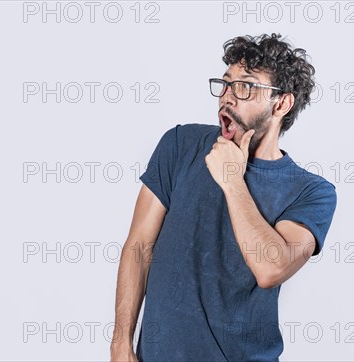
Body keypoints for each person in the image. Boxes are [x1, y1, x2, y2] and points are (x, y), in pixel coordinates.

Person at [110, 33, 338, 361]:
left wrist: (232, 181)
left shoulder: (311, 193)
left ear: (282, 103)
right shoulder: (179, 145)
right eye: (226, 83)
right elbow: (139, 246)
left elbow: (270, 269)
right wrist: (120, 344)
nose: (228, 97)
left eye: (245, 86)